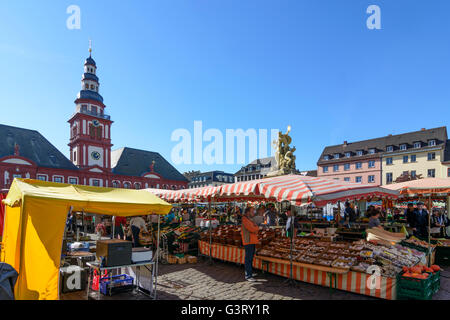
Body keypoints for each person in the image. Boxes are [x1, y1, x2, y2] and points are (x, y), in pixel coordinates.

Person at [241, 207, 260, 282]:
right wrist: (256, 228)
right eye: (252, 211)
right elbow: (253, 229)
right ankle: (248, 275)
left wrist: (255, 227)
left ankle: (249, 272)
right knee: (248, 258)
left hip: (251, 240)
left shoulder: (248, 219)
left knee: (250, 258)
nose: (253, 213)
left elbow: (254, 228)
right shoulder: (245, 219)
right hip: (248, 241)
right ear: (248, 212)